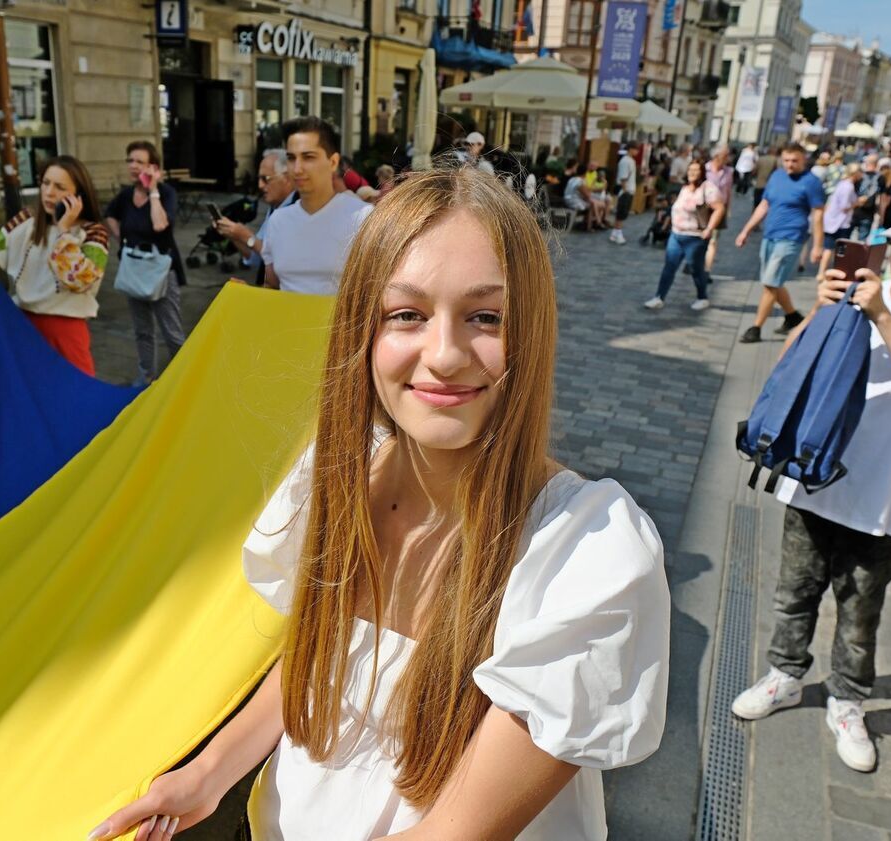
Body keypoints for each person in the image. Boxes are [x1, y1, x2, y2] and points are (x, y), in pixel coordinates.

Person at [87, 167, 670, 841]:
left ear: (531, 332)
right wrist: (209, 771)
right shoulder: (336, 474)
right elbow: (321, 660)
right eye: (406, 315)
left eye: (485, 316)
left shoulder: (586, 552)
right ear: (362, 331)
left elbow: (455, 832)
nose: (445, 354)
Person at [733, 195, 891, 773]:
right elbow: (790, 370)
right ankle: (785, 676)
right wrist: (820, 314)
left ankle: (847, 702)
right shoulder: (857, 292)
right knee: (794, 591)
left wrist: (882, 315)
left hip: (884, 492)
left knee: (859, 610)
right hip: (813, 474)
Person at [0, 154, 108, 376]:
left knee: (76, 401)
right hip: (21, 328)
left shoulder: (93, 233)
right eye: (45, 183)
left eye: (59, 187)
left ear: (78, 195)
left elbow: (79, 280)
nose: (49, 192)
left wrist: (64, 230)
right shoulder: (25, 221)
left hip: (65, 333)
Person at [263, 117, 374, 295]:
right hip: (287, 321)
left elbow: (376, 291)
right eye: (291, 158)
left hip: (339, 323)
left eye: (308, 157)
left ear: (333, 163)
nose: (297, 168)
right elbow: (271, 285)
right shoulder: (278, 220)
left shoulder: (363, 218)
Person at [105, 141, 186, 386]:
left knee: (171, 332)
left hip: (161, 270)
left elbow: (160, 224)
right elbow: (110, 214)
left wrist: (153, 191)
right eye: (130, 160)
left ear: (153, 167)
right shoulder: (126, 195)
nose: (132, 166)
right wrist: (122, 238)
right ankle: (147, 376)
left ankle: (184, 377)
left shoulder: (166, 193)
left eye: (139, 161)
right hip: (134, 268)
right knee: (142, 331)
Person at [735, 143, 824, 343]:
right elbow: (764, 204)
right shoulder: (777, 176)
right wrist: (746, 230)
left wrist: (817, 245)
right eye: (786, 160)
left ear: (804, 160)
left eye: (795, 161)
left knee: (770, 283)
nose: (790, 165)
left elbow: (818, 215)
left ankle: (756, 328)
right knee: (772, 282)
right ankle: (792, 316)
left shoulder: (811, 182)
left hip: (791, 238)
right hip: (770, 235)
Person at [644, 159, 725, 311]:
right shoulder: (685, 188)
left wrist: (709, 228)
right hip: (676, 235)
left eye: (696, 170)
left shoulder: (707, 188)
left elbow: (719, 208)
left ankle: (702, 297)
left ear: (702, 172)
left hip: (695, 237)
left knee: (696, 268)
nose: (692, 173)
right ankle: (659, 297)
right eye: (690, 170)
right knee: (669, 266)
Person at [216, 148, 298, 282]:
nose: (260, 185)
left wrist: (247, 237)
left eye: (266, 179)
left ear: (287, 179)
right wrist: (233, 235)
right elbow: (255, 257)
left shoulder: (298, 208)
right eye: (259, 179)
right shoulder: (275, 206)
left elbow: (281, 261)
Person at [816, 164, 863, 280]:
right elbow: (844, 206)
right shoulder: (849, 187)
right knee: (837, 249)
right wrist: (857, 203)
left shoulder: (842, 183)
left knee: (829, 248)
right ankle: (830, 272)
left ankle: (822, 272)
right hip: (840, 223)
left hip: (833, 221)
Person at [704, 146, 734, 275]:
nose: (728, 158)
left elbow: (728, 191)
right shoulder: (705, 169)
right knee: (699, 238)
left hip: (719, 209)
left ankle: (707, 270)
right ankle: (693, 262)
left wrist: (728, 208)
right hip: (703, 208)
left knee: (713, 240)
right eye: (725, 156)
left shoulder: (729, 171)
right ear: (716, 156)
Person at [851, 155, 888, 242]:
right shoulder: (881, 178)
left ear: (866, 163)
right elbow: (882, 200)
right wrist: (881, 216)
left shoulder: (858, 175)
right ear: (877, 164)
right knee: (861, 242)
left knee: (846, 240)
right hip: (868, 213)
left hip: (853, 210)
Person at [609, 148, 637, 244]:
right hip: (625, 190)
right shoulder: (625, 161)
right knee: (621, 212)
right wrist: (625, 190)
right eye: (636, 149)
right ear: (631, 149)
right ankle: (618, 233)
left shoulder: (631, 160)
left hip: (629, 189)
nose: (637, 152)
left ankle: (614, 233)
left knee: (623, 213)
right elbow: (623, 177)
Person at [562, 159, 600, 231]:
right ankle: (589, 226)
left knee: (592, 202)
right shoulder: (580, 182)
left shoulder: (573, 179)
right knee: (592, 204)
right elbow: (587, 195)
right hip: (572, 202)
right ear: (585, 173)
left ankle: (593, 222)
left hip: (567, 199)